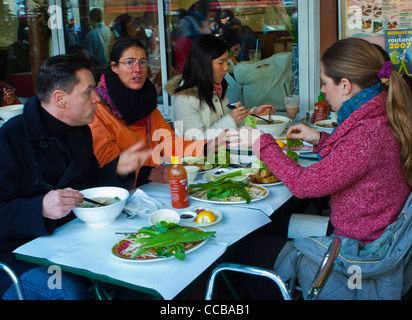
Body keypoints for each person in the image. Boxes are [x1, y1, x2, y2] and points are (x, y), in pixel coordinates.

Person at [227, 37, 412, 299]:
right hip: (372, 233)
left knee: (247, 248)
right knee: (268, 224)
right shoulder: (380, 115)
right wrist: (320, 139)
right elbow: (355, 161)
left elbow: (305, 185)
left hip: (356, 252)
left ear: (345, 85)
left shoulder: (368, 134)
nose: (323, 90)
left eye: (325, 82)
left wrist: (261, 143)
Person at [0, 54, 151, 300]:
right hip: (16, 256)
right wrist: (38, 208)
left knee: (138, 263)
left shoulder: (79, 131)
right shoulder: (9, 139)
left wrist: (120, 168)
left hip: (72, 239)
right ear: (60, 98)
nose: (97, 98)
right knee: (68, 291)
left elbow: (89, 189)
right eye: (88, 91)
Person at [90, 38, 222, 188]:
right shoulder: (97, 110)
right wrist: (150, 174)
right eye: (129, 62)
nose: (138, 69)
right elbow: (109, 164)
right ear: (114, 67)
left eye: (142, 62)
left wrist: (206, 147)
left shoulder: (146, 102)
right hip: (120, 195)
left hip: (152, 187)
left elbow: (168, 143)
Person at [166, 34, 273, 140]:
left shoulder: (215, 88)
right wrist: (231, 120)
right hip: (200, 156)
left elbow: (223, 125)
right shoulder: (184, 98)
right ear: (203, 64)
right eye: (221, 62)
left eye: (227, 61)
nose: (226, 67)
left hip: (220, 154)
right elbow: (195, 141)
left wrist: (253, 114)